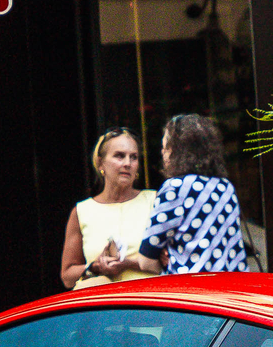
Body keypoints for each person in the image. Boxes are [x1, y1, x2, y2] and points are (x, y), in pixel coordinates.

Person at [130, 113, 253, 276]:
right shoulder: (226, 187)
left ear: (177, 151)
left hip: (190, 292)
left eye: (165, 147)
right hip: (227, 291)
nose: (163, 154)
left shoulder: (175, 188)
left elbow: (145, 261)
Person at [59, 127, 156, 289]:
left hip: (149, 303)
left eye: (133, 158)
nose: (127, 163)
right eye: (119, 156)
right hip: (101, 309)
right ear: (100, 162)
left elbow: (173, 260)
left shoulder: (155, 201)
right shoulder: (82, 211)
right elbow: (67, 277)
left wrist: (128, 264)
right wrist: (95, 267)